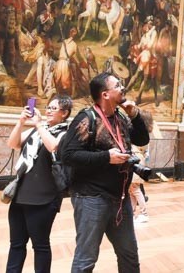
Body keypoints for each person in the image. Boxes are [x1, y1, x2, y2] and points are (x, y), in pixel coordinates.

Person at [59, 72, 151, 273]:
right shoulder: (86, 118)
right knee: (86, 260)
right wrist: (106, 157)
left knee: (129, 256)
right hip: (91, 197)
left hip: (120, 198)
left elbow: (142, 140)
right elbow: (67, 155)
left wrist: (134, 114)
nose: (122, 88)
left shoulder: (120, 117)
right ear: (105, 94)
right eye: (117, 85)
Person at [4, 94, 72, 273]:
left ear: (64, 113)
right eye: (48, 107)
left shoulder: (65, 133)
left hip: (45, 198)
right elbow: (13, 143)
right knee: (16, 244)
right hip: (21, 194)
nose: (48, 111)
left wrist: (39, 125)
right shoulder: (36, 131)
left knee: (40, 246)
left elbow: (53, 147)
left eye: (53, 108)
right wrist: (20, 122)